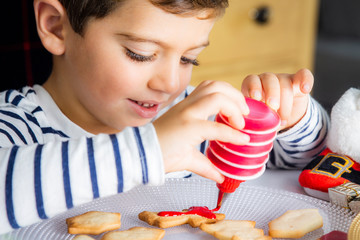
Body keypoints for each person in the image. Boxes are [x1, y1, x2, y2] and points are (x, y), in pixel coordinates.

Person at [0, 0, 328, 234]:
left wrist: (292, 118)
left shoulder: (192, 117)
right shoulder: (16, 125)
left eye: (189, 59)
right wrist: (148, 151)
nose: (170, 84)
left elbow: (301, 159)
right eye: (140, 54)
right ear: (56, 27)